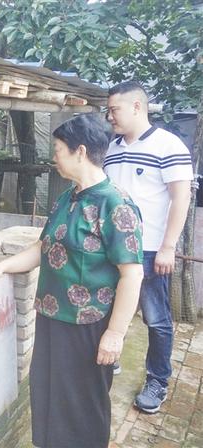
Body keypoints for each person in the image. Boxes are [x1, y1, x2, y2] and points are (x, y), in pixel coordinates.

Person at [0, 114, 144, 448]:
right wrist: (2, 267)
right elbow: (42, 247)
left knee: (82, 402)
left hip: (88, 325)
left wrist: (115, 334)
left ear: (81, 152)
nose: (54, 157)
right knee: (50, 394)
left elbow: (132, 274)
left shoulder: (115, 205)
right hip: (52, 317)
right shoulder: (69, 197)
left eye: (59, 150)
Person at [105, 81, 193, 414]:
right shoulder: (112, 148)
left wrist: (168, 246)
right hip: (112, 249)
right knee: (111, 307)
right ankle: (111, 358)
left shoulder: (168, 145)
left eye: (114, 110)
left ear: (137, 107)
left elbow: (180, 198)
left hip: (150, 249)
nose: (110, 116)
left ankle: (158, 380)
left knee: (156, 319)